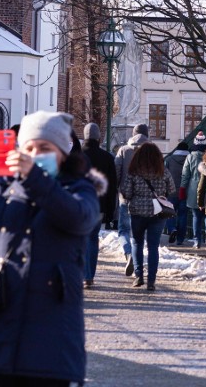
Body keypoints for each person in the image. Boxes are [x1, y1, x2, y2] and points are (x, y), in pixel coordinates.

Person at [0, 111, 100, 386]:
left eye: (44, 148)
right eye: (29, 148)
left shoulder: (79, 188)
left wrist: (34, 177)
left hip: (51, 338)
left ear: (63, 153)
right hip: (0, 330)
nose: (35, 154)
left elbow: (79, 218)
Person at [119, 142, 175, 291]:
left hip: (137, 212)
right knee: (153, 246)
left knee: (137, 243)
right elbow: (172, 188)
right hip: (158, 212)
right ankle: (151, 281)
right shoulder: (163, 171)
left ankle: (138, 276)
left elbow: (127, 192)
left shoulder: (134, 171)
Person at [82, 123, 117, 288]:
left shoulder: (76, 156)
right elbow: (112, 187)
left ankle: (83, 273)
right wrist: (111, 211)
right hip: (99, 205)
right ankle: (90, 276)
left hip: (79, 204)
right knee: (92, 239)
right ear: (98, 137)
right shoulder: (107, 157)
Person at [115, 124, 150, 275]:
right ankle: (138, 261)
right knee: (140, 233)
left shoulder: (123, 150)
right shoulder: (152, 152)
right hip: (144, 198)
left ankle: (128, 253)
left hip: (125, 197)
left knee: (123, 230)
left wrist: (118, 188)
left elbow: (116, 172)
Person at [180, 132, 206, 249]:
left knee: (196, 216)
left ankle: (197, 240)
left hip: (193, 189)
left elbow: (185, 175)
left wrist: (182, 189)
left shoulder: (190, 157)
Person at [164, 142, 190, 245]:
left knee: (169, 213)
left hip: (171, 191)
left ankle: (172, 229)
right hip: (185, 192)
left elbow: (164, 175)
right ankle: (180, 239)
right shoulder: (189, 159)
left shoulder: (169, 160)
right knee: (183, 215)